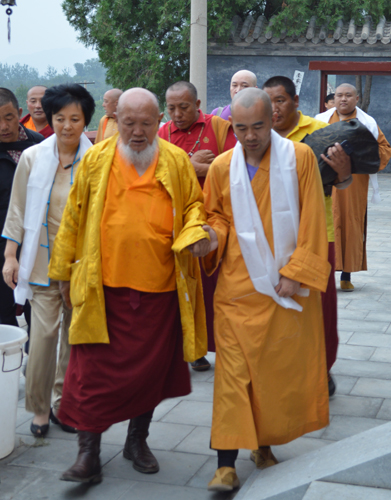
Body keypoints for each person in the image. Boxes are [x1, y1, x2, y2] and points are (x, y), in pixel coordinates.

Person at [47, 88, 210, 484]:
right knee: (90, 376)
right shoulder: (96, 160)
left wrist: (195, 233)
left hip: (159, 289)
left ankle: (138, 441)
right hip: (102, 289)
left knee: (149, 373)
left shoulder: (174, 160)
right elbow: (73, 217)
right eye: (129, 123)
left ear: (160, 123)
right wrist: (63, 273)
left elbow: (193, 208)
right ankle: (89, 453)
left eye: (146, 124)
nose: (137, 132)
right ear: (115, 121)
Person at [202, 88, 331, 492]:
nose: (250, 135)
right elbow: (218, 218)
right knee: (232, 376)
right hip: (237, 289)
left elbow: (312, 217)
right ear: (232, 127)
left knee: (273, 373)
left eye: (258, 126)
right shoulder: (222, 167)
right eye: (241, 128)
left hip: (282, 285)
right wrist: (209, 238)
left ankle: (263, 444)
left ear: (273, 118)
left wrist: (297, 271)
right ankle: (225, 464)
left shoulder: (300, 158)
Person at [2, 84, 95, 438]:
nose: (67, 126)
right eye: (60, 118)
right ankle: (39, 408)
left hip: (80, 265)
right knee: (41, 337)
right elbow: (18, 210)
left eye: (75, 119)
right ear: (50, 118)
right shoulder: (33, 157)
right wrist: (10, 255)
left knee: (74, 339)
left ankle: (62, 403)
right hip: (40, 261)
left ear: (86, 119)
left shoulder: (97, 160)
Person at [263, 76, 352, 395]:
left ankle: (322, 367)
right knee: (278, 303)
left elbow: (340, 184)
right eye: (269, 102)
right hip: (270, 235)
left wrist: (343, 172)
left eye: (280, 101)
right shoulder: (258, 135)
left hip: (316, 233)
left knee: (320, 306)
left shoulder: (318, 132)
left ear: (296, 101)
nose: (274, 109)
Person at [159, 81, 237, 371]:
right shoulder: (163, 133)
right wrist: (191, 164)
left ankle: (225, 345)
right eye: (171, 109)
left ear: (198, 105)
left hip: (216, 221)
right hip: (179, 224)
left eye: (184, 107)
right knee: (184, 289)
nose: (177, 114)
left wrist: (198, 168)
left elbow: (233, 166)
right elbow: (158, 171)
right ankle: (193, 349)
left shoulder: (217, 127)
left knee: (216, 288)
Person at [315, 83, 391, 291]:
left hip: (354, 181)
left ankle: (346, 275)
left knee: (350, 224)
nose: (343, 99)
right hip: (325, 181)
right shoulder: (320, 120)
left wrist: (359, 156)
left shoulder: (368, 123)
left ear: (356, 99)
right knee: (322, 225)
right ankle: (324, 275)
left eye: (348, 95)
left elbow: (384, 149)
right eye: (339, 95)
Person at [0, 88, 43, 349]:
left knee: (36, 305)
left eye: (8, 117)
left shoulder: (38, 145)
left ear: (18, 114)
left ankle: (36, 360)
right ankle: (9, 359)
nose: (3, 127)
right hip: (3, 244)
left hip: (37, 241)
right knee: (4, 307)